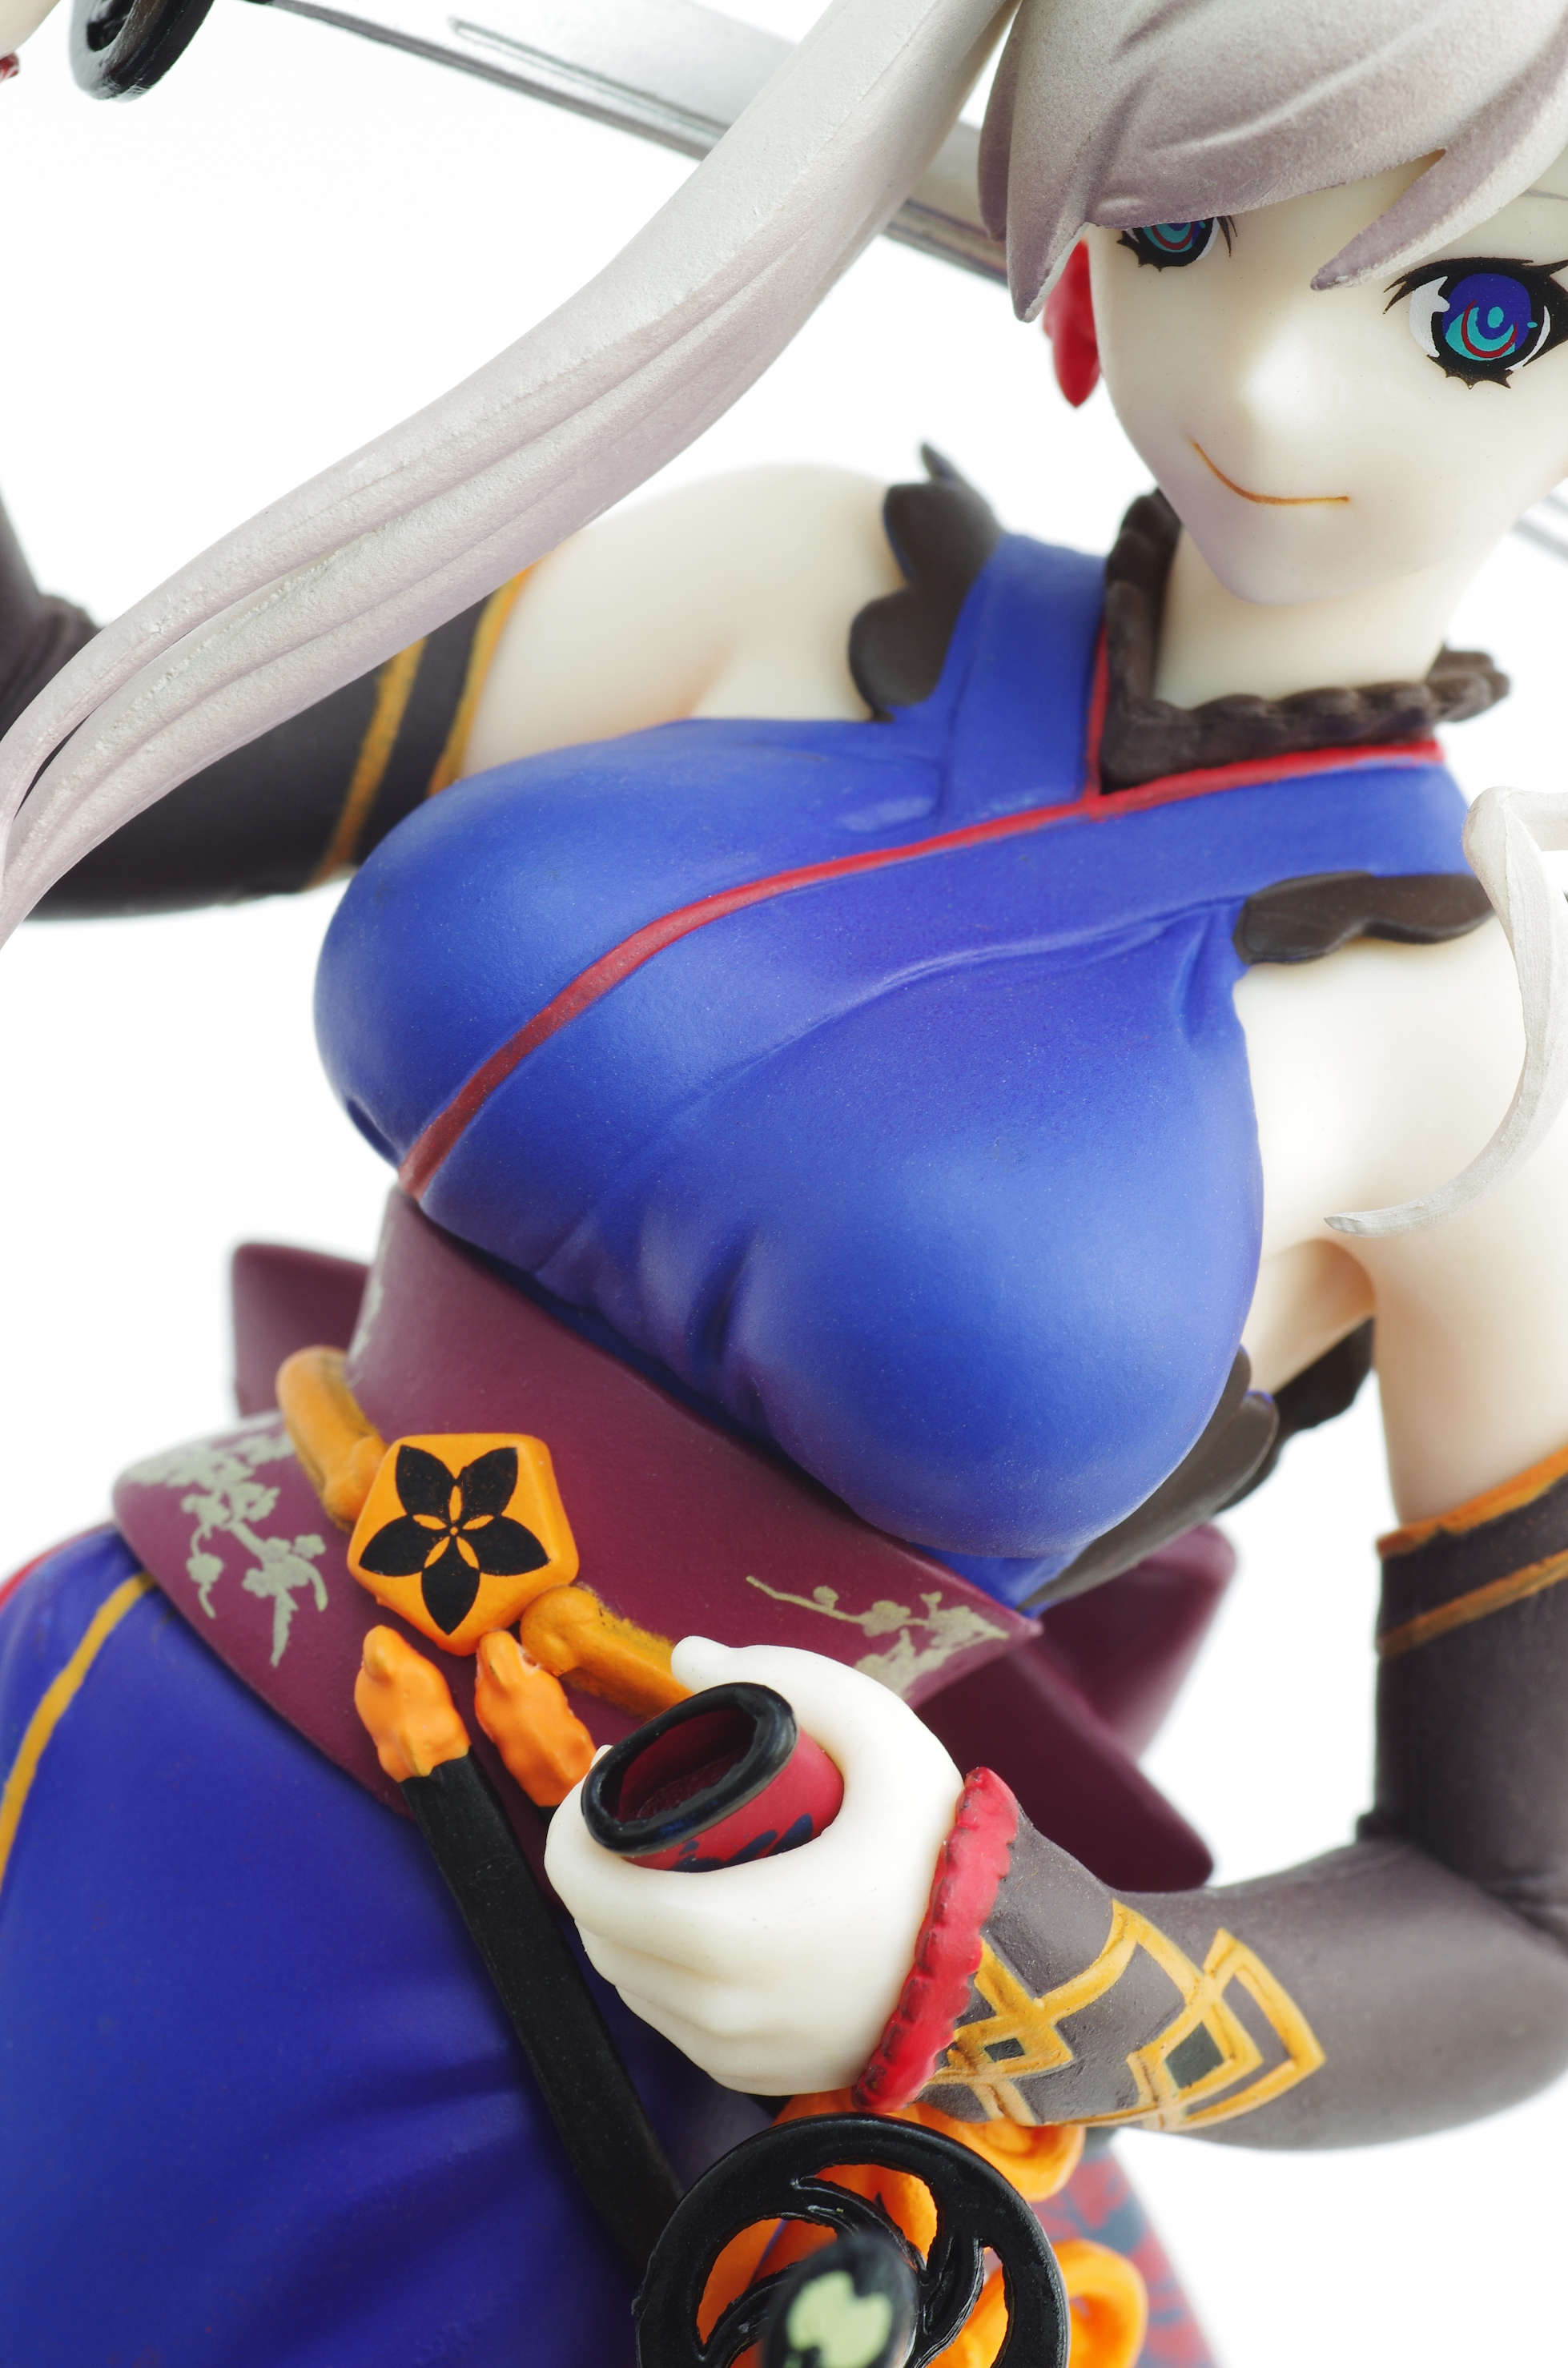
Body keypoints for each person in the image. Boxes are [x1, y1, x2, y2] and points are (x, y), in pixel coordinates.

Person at [6, 0, 1568, 2358]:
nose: (1266, 381)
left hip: (626, 2021)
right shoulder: (807, 579)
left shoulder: (1486, 1051)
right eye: (1183, 232)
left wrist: (1003, 1959)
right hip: (112, 1737)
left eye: (1485, 309)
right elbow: (57, 746)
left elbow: (1515, 1921)